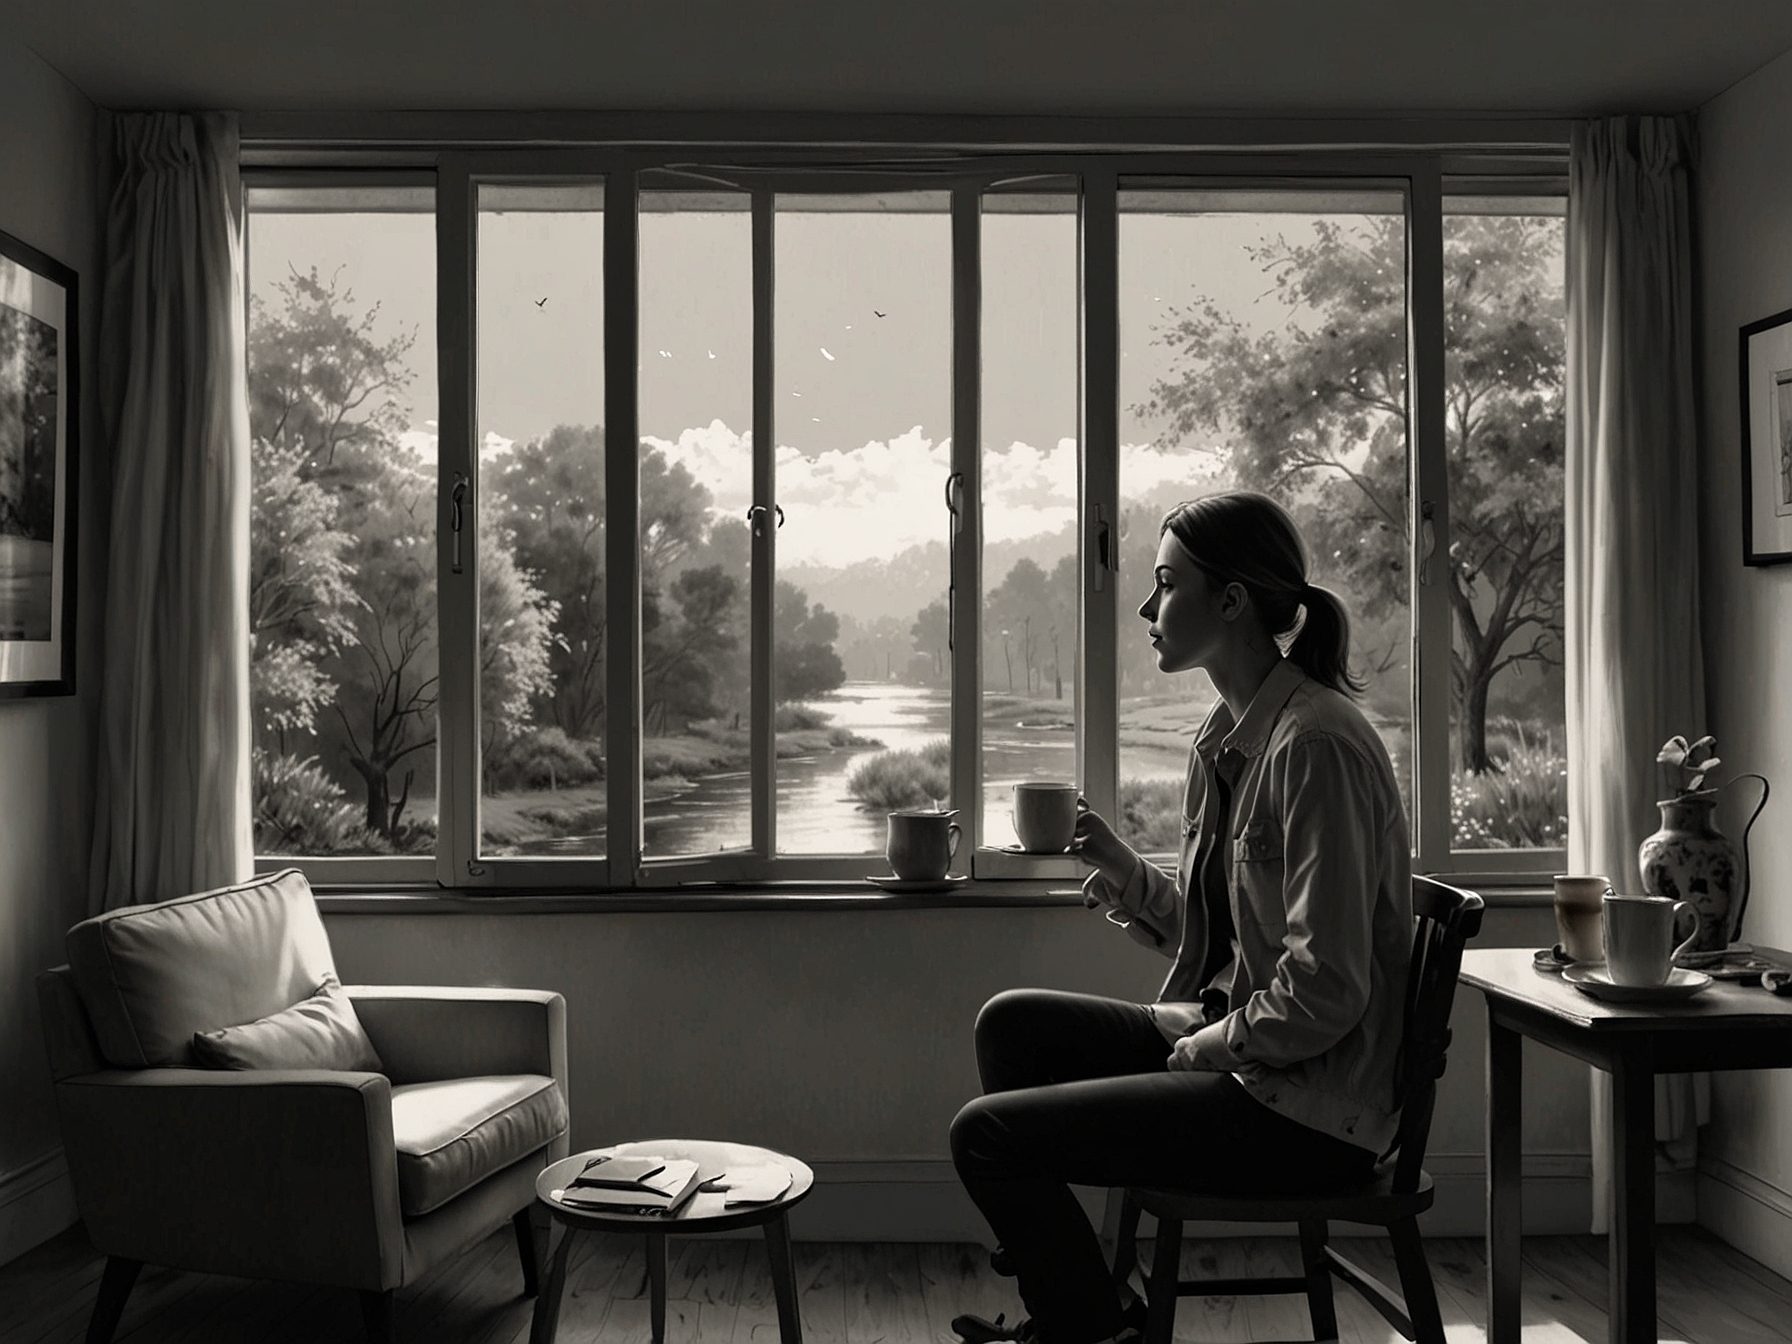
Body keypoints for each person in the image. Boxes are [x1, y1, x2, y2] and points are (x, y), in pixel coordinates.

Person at [948, 491, 1413, 1344]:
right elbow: (1227, 943)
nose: (1145, 607)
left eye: (1165, 584)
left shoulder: (1314, 747)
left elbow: (1328, 988)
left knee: (987, 1138)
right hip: (1248, 1054)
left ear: (1231, 600)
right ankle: (1085, 1309)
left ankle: (1081, 1327)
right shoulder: (1226, 737)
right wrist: (1128, 874)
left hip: (1303, 1112)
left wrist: (1203, 1050)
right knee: (1010, 1029)